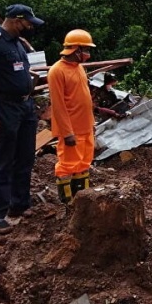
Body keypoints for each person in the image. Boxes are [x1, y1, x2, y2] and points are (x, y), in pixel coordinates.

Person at [0, 3, 45, 234]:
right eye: (27, 23)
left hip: (25, 106)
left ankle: (19, 204)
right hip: (5, 107)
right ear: (16, 20)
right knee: (3, 161)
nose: (29, 28)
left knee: (25, 157)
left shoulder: (17, 43)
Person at [48, 29, 96, 203]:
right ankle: (68, 203)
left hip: (85, 127)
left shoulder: (79, 69)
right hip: (71, 131)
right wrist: (67, 133)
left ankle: (82, 200)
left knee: (83, 164)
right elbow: (58, 106)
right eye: (87, 50)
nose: (88, 54)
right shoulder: (57, 71)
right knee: (67, 166)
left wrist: (92, 123)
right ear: (76, 50)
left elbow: (84, 98)